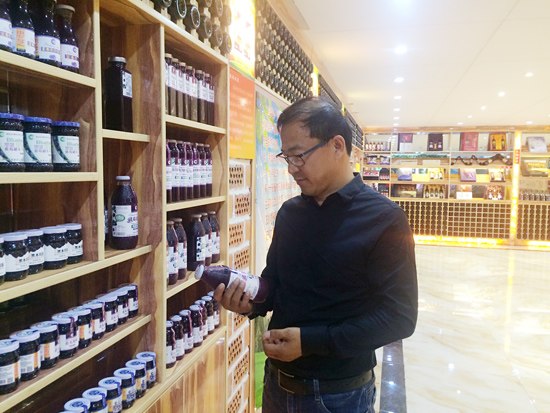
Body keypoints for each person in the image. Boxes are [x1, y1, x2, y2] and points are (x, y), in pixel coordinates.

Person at [214, 96, 418, 413]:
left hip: (339, 396)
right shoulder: (290, 213)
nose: (291, 169)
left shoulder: (384, 219)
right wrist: (250, 302)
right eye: (286, 157)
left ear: (337, 146)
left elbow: (399, 318)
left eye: (299, 156)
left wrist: (310, 342)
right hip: (277, 383)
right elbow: (275, 284)